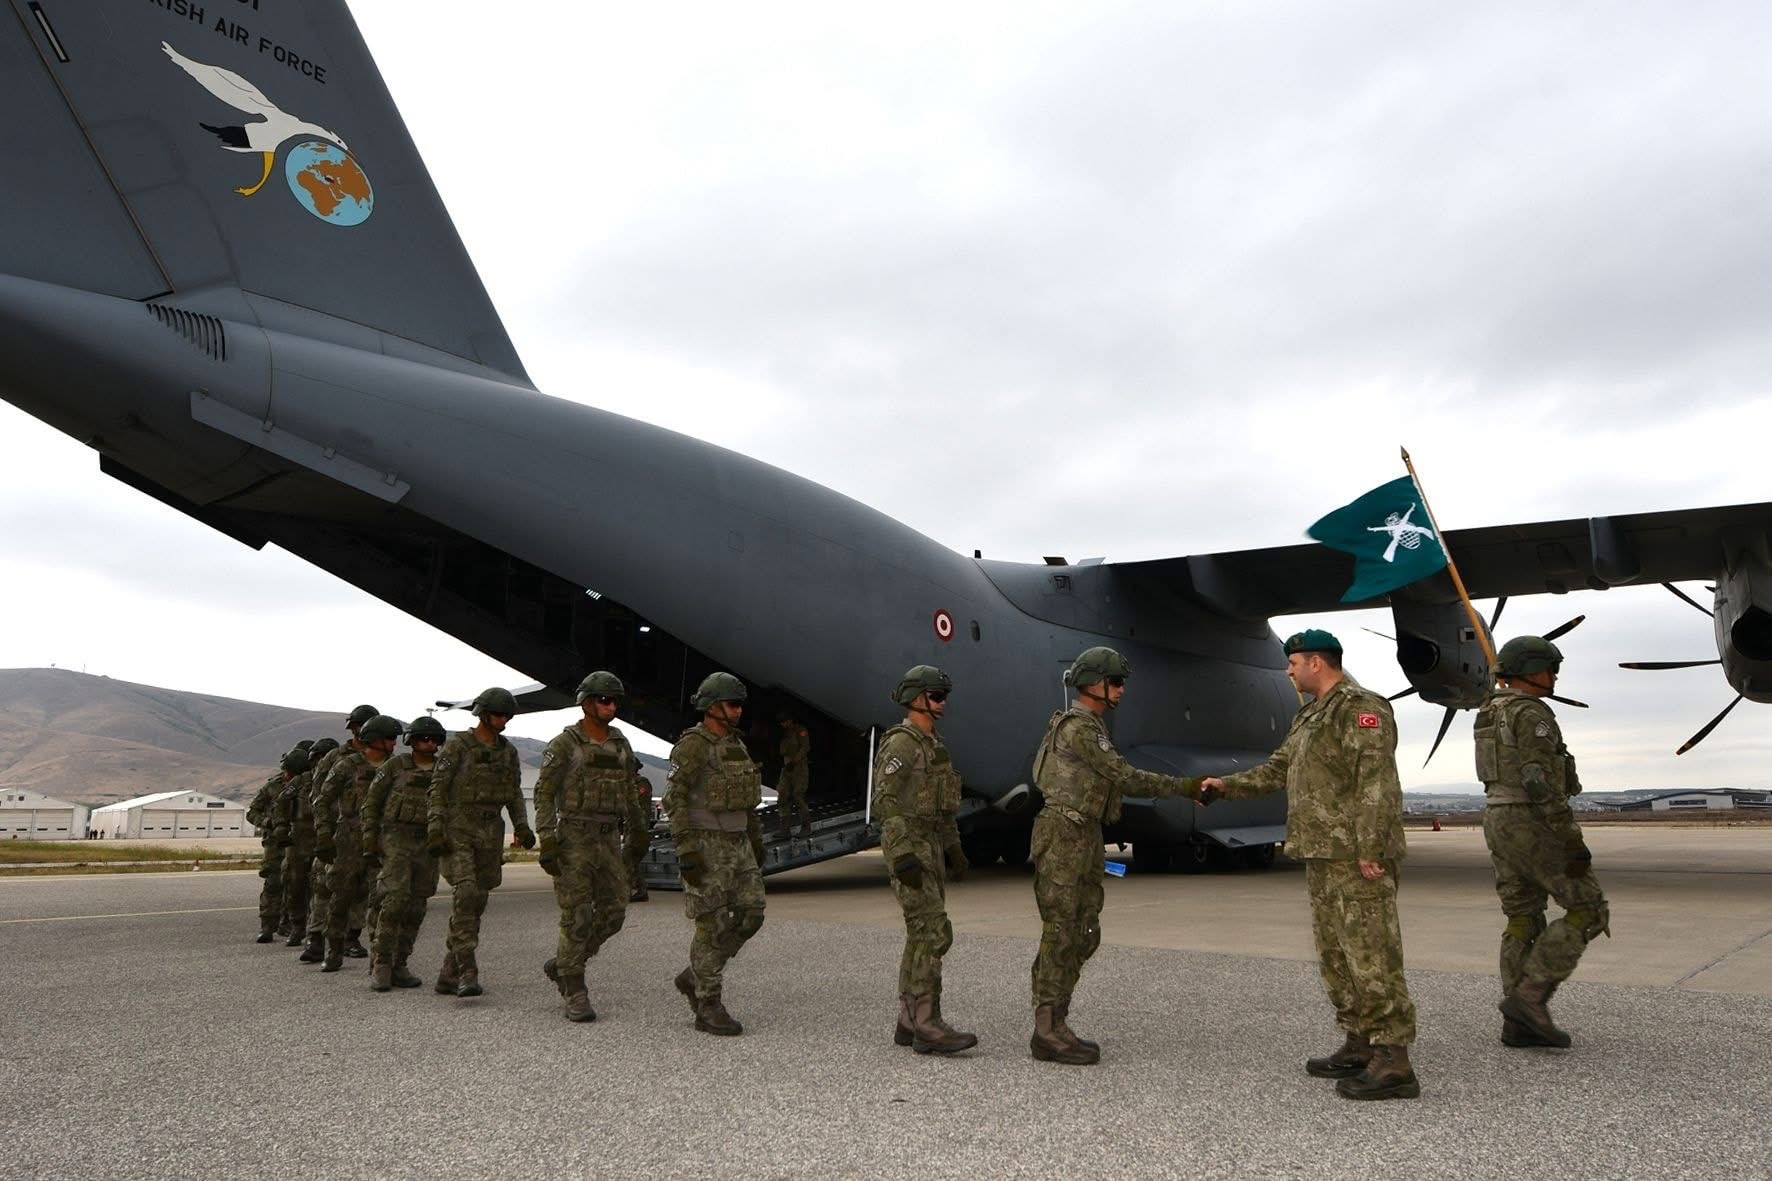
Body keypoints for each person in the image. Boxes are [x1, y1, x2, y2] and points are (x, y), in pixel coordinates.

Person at [1202, 630, 1420, 1101]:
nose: (1288, 671)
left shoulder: (1360, 708)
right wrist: (1226, 786)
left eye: (1294, 663)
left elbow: (1376, 783)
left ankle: (1394, 1060)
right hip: (1323, 853)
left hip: (1355, 856)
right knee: (1337, 955)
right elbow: (1278, 769)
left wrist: (1370, 848)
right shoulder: (1309, 716)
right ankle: (1360, 1043)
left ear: (1316, 663)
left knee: (1372, 955)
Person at [1028, 646, 1206, 1066]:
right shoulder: (1080, 729)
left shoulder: (1091, 727)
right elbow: (1125, 777)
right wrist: (1185, 787)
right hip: (1065, 835)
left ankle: (1056, 1021)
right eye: (1116, 682)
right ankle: (1047, 1028)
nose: (1122, 689)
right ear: (1094, 684)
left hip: (1083, 833)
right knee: (1062, 931)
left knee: (1083, 930)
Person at [1475, 635, 1609, 1049]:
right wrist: (1570, 838)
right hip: (1531, 820)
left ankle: (1518, 1022)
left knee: (1522, 916)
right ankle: (1530, 998)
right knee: (1588, 909)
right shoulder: (1531, 713)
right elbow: (1537, 779)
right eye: (1550, 669)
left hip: (1497, 818)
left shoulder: (1488, 712)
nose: (1553, 677)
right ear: (1531, 670)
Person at [873, 665, 976, 1055]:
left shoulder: (934, 746)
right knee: (934, 932)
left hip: (930, 845)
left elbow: (944, 808)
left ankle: (908, 1018)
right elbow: (884, 801)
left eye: (944, 695)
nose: (943, 702)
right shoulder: (902, 744)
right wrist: (901, 854)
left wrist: (954, 849)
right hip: (910, 847)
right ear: (917, 699)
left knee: (919, 932)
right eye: (936, 695)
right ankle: (928, 1023)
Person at [535, 671, 649, 1022]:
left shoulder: (621, 744)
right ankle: (574, 988)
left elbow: (629, 790)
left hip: (608, 838)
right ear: (585, 703)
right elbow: (543, 793)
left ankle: (565, 962)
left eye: (615, 701)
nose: (611, 706)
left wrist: (638, 829)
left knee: (614, 913)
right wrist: (547, 838)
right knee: (578, 915)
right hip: (575, 836)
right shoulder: (564, 744)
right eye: (604, 700)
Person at [664, 672, 765, 1036]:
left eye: (740, 705)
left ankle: (696, 974)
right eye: (732, 705)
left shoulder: (737, 745)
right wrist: (685, 848)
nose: (738, 711)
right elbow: (673, 798)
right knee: (712, 924)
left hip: (738, 844)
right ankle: (708, 1004)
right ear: (711, 706)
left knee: (752, 914)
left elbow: (747, 800)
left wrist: (755, 839)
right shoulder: (693, 745)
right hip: (706, 844)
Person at [427, 687, 535, 997]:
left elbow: (514, 793)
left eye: (507, 715)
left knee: (478, 900)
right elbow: (437, 789)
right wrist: (435, 828)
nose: (504, 720)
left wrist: (522, 826)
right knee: (466, 892)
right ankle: (467, 970)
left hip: (490, 832)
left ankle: (448, 972)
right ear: (483, 714)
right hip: (459, 827)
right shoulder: (458, 747)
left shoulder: (508, 752)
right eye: (498, 714)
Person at [360, 716, 447, 992]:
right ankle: (381, 963)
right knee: (394, 902)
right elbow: (372, 803)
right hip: (396, 839)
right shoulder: (395, 766)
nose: (429, 743)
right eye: (423, 738)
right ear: (411, 741)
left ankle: (400, 963)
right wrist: (369, 839)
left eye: (434, 739)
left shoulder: (444, 770)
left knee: (417, 906)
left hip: (427, 844)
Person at [315, 714, 402, 972]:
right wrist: (324, 835)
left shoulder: (396, 767)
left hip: (384, 839)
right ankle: (334, 949)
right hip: (349, 838)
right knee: (341, 897)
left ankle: (380, 960)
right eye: (389, 738)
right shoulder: (347, 765)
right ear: (374, 739)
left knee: (381, 900)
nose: (394, 743)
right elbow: (322, 800)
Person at [302, 708, 379, 963]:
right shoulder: (336, 757)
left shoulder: (383, 760)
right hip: (337, 832)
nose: (361, 728)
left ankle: (351, 937)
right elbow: (318, 795)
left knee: (361, 889)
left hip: (368, 834)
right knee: (326, 887)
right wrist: (324, 830)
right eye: (358, 724)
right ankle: (315, 938)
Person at [247, 748, 307, 943]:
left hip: (299, 843)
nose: (287, 775)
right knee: (273, 883)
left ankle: (290, 923)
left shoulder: (309, 785)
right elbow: (252, 813)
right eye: (286, 771)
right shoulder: (272, 787)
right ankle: (267, 926)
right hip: (275, 845)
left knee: (297, 885)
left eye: (292, 772)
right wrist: (267, 822)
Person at [276, 738, 329, 947]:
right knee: (296, 885)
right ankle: (297, 926)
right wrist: (281, 827)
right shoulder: (302, 781)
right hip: (299, 842)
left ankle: (317, 929)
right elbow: (282, 801)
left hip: (324, 840)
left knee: (322, 887)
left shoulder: (336, 778)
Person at [775, 712, 811, 838]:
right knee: (782, 796)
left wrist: (794, 761)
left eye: (785, 721)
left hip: (799, 768)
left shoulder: (800, 730)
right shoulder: (784, 733)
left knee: (798, 796)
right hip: (786, 768)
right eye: (781, 722)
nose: (783, 724)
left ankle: (806, 827)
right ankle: (784, 830)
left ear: (790, 720)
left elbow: (805, 747)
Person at [625, 763, 653, 903]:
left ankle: (630, 890)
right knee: (631, 861)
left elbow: (635, 801)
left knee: (628, 859)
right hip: (631, 826)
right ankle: (641, 890)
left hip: (639, 827)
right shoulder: (629, 784)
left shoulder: (641, 783)